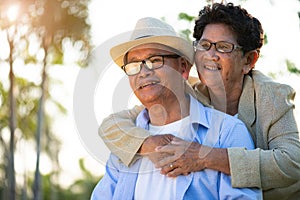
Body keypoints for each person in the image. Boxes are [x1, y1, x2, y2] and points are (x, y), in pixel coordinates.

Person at [98, 2, 300, 200]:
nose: (210, 56)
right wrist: (145, 143)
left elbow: (293, 163)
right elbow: (114, 124)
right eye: (204, 45)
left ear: (249, 61)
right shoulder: (190, 91)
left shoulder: (270, 96)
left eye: (223, 47)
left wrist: (205, 157)